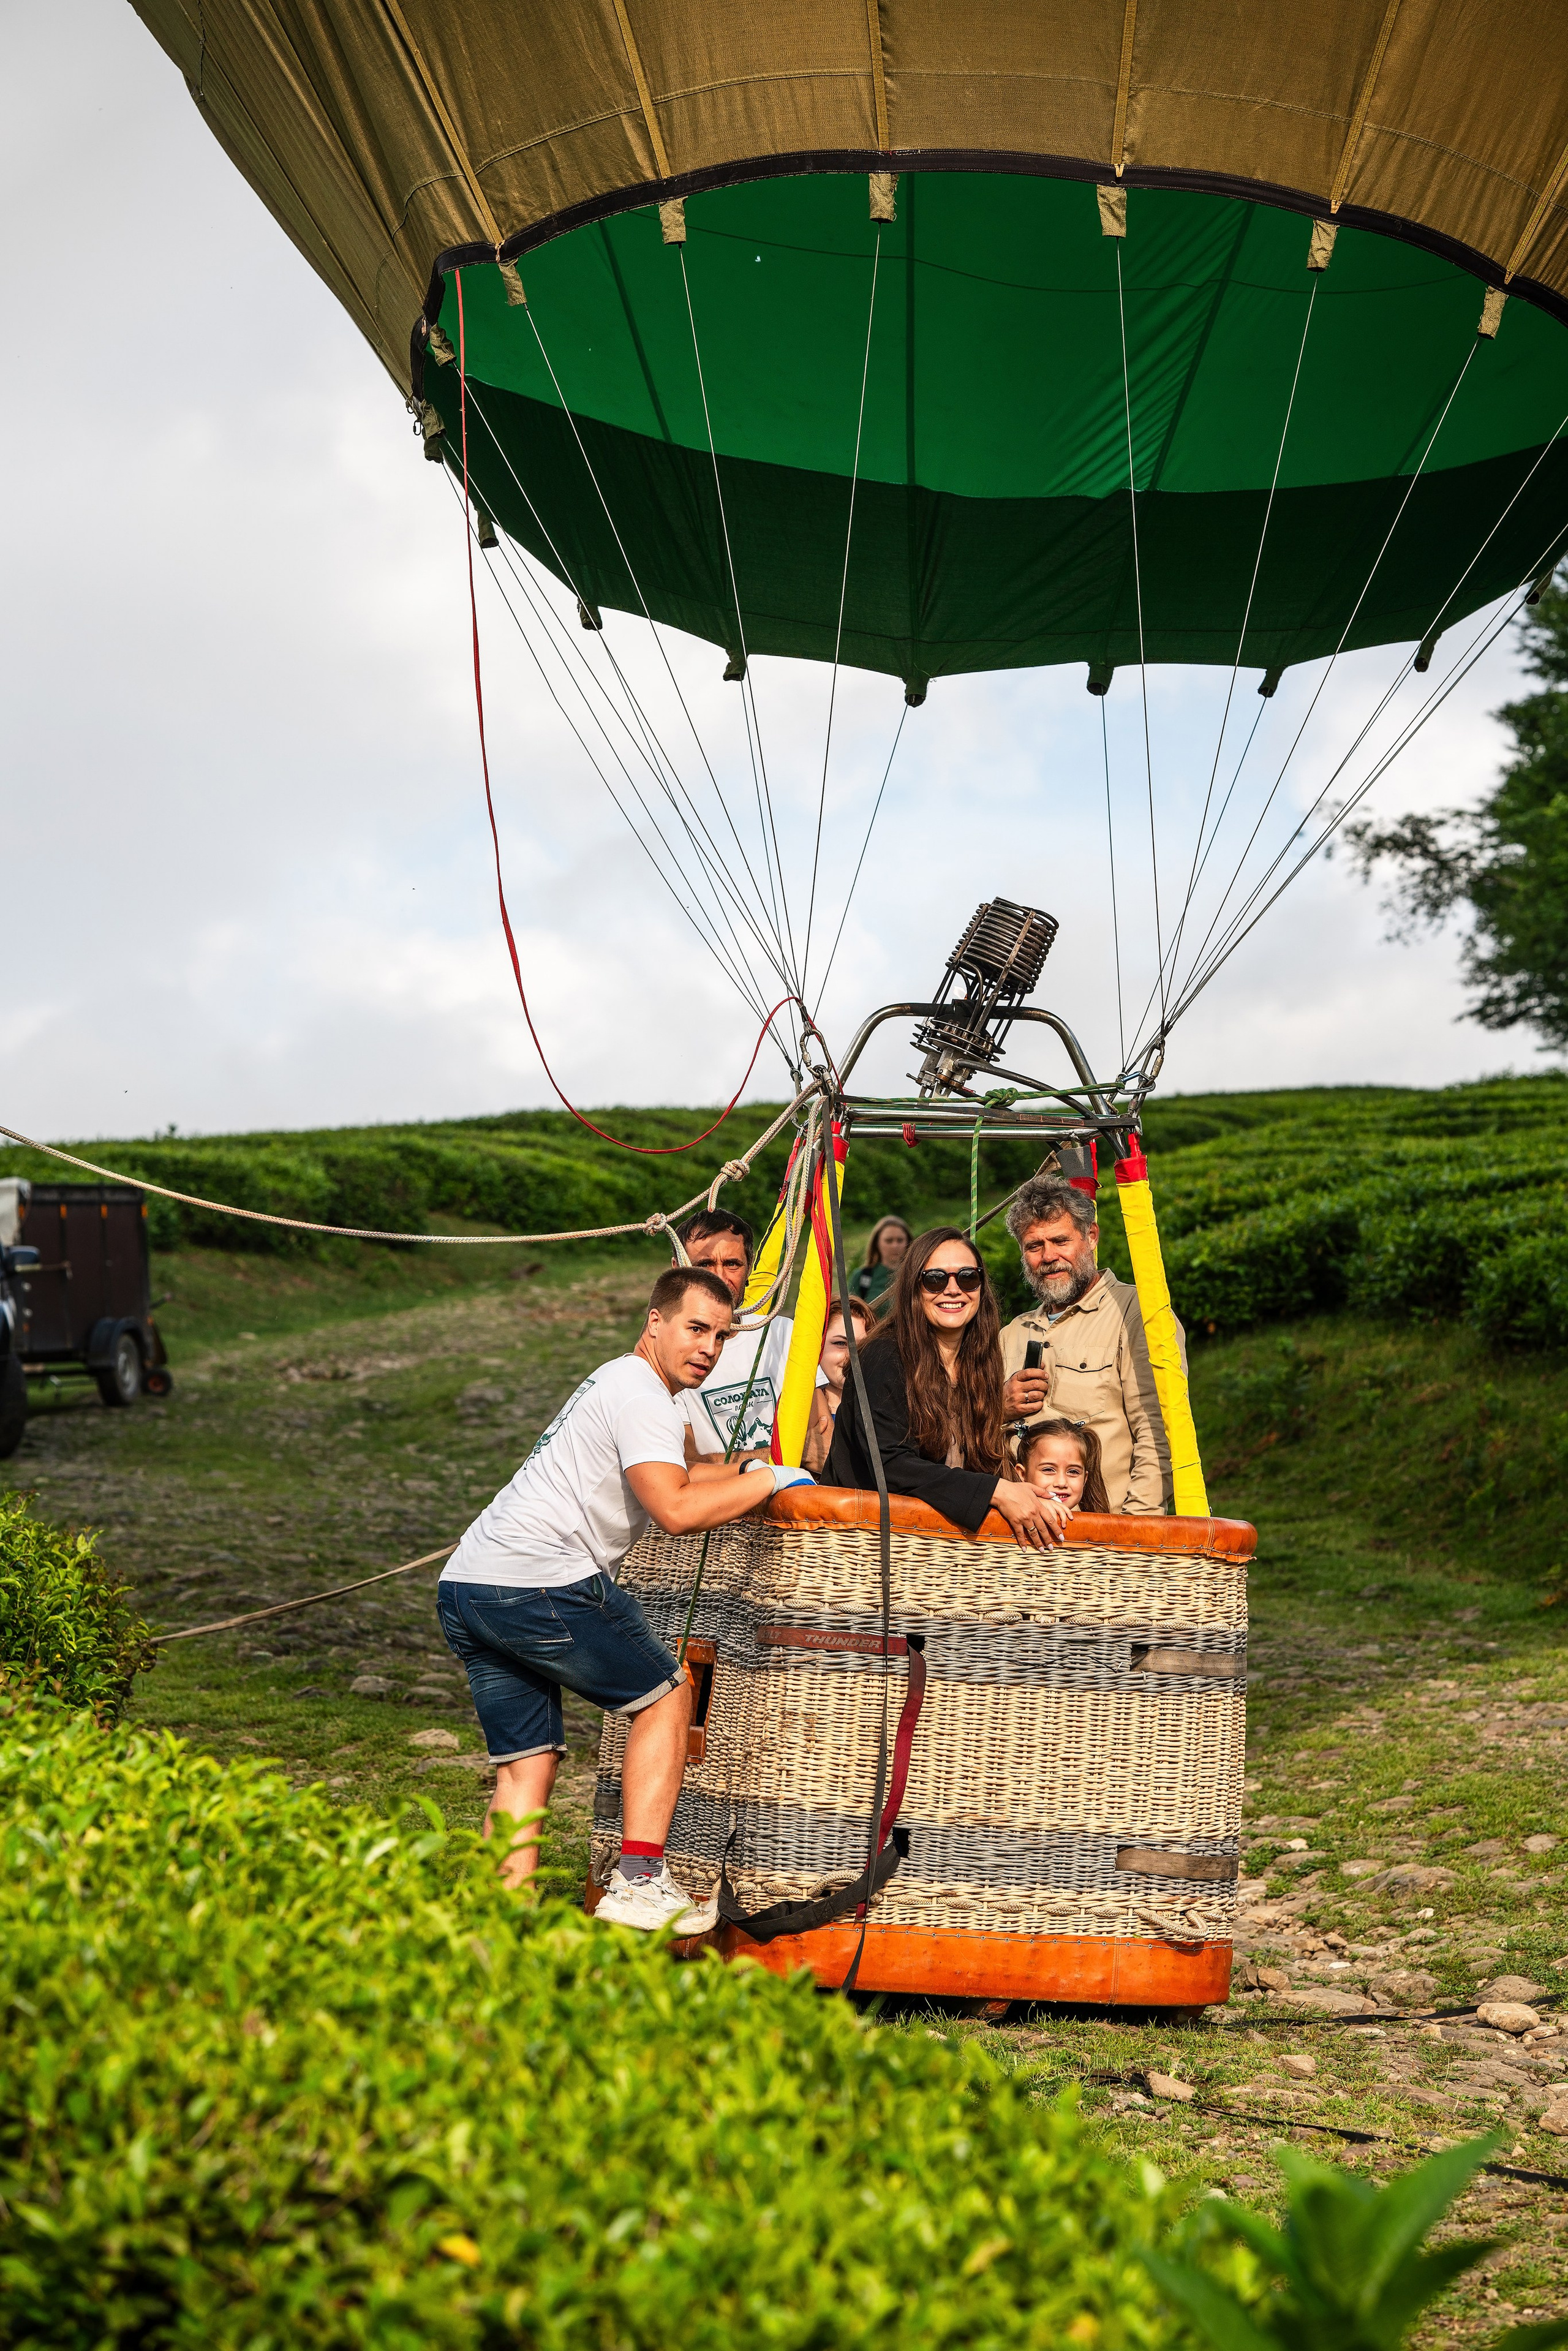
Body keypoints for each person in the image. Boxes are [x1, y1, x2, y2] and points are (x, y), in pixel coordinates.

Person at [437, 1265, 809, 1931]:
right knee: (668, 1695)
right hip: (538, 1579)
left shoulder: (624, 1382)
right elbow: (673, 1507)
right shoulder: (641, 1389)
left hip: (471, 1584)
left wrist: (749, 1468)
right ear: (655, 1321)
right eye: (696, 1328)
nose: (709, 1348)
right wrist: (773, 1480)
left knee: (529, 1765)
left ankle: (492, 1931)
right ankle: (639, 1878)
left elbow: (682, 1471)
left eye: (722, 1336)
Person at [825, 1226, 1069, 1545]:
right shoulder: (884, 1356)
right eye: (936, 1279)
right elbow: (889, 1464)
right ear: (914, 1288)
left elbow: (973, 1457)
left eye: (967, 1277)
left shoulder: (977, 1359)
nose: (953, 1290)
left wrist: (1026, 1491)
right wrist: (996, 1491)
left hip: (932, 1546)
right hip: (861, 1546)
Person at [997, 1175, 1179, 1514]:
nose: (1048, 1256)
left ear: (1091, 1236)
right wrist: (998, 1407)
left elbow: (1158, 1434)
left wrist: (1134, 1532)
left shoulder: (1136, 1314)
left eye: (1060, 1241)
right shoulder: (1012, 1333)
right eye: (1034, 1247)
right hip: (1017, 1540)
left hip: (1102, 1539)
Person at [675, 1207, 821, 1464]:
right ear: (677, 1270)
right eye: (705, 1264)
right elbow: (689, 1465)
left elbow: (820, 1434)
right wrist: (787, 1455)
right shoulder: (667, 1355)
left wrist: (723, 1462)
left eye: (732, 1264)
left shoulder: (783, 1333)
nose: (719, 1277)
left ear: (749, 1268)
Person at [802, 1295, 872, 1473]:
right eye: (841, 1343)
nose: (851, 1357)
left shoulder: (885, 1408)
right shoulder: (796, 1405)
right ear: (817, 1345)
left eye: (863, 1347)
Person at [1016, 1417, 1110, 1515]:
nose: (1061, 1483)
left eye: (1073, 1472)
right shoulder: (1004, 1520)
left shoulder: (1097, 1526)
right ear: (1022, 1474)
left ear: (1085, 1479)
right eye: (1048, 1470)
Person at [851, 1215, 911, 1307]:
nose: (895, 1246)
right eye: (889, 1241)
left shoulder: (916, 1275)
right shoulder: (862, 1277)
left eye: (900, 1240)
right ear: (877, 1244)